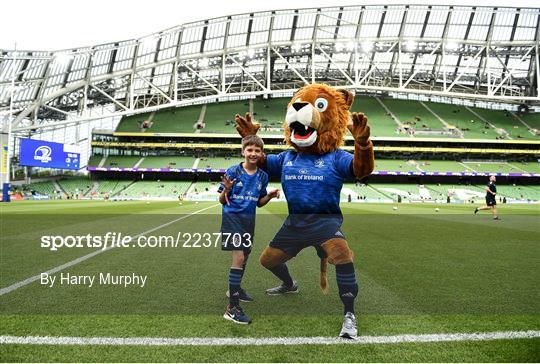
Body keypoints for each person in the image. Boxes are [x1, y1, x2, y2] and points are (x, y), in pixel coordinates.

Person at [219, 135, 280, 324]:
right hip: (232, 219)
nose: (253, 153)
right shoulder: (233, 171)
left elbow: (259, 203)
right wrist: (227, 190)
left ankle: (235, 289)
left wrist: (269, 196)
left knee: (244, 256)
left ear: (262, 153)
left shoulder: (263, 176)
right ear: (243, 151)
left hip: (249, 221)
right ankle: (232, 308)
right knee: (238, 257)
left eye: (257, 150)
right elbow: (222, 200)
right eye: (250, 150)